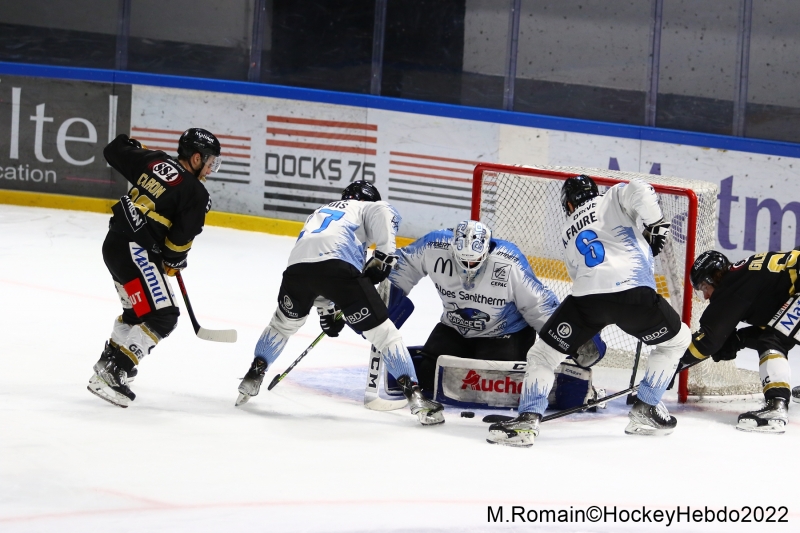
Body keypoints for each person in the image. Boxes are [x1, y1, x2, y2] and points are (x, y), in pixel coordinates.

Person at [487, 175, 692, 447]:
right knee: (676, 341)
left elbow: (579, 272)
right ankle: (647, 408)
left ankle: (527, 420)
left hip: (587, 301)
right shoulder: (612, 197)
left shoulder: (567, 230)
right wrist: (657, 224)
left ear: (569, 205)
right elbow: (640, 188)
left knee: (543, 355)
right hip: (634, 297)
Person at [235, 181, 445, 425]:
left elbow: (317, 264)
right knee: (386, 337)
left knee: (281, 327)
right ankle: (417, 398)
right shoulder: (364, 207)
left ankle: (253, 375)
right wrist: (384, 257)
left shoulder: (320, 213)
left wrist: (327, 311)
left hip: (296, 272)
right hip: (339, 269)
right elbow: (385, 212)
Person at [388, 220, 605, 397]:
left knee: (491, 385)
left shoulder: (508, 263)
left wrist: (572, 338)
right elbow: (404, 263)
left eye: (474, 262)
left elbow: (537, 305)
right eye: (463, 260)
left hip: (505, 334)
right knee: (426, 376)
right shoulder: (434, 247)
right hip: (456, 329)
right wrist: (386, 297)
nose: (468, 268)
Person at [88, 128, 221, 408]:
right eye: (209, 161)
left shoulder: (154, 160)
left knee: (138, 310)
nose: (211, 168)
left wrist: (138, 147)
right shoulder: (196, 193)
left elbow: (114, 149)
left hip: (114, 246)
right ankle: (113, 373)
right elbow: (178, 244)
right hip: (137, 252)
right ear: (196, 158)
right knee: (164, 316)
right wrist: (174, 261)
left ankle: (109, 359)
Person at [680, 249, 800, 433]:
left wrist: (675, 361)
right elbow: (774, 325)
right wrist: (738, 339)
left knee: (773, 341)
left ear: (715, 277)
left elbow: (708, 341)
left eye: (704, 287)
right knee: (775, 335)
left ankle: (776, 407)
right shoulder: (745, 276)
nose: (704, 296)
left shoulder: (730, 285)